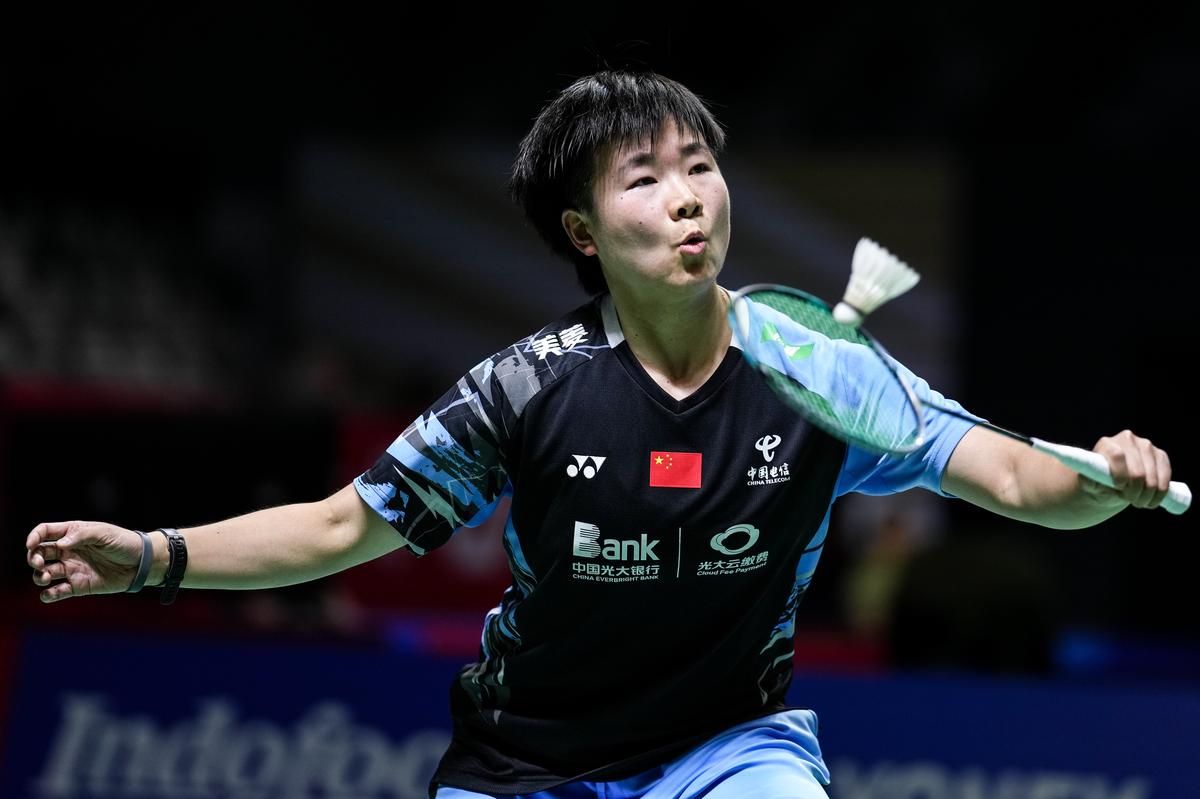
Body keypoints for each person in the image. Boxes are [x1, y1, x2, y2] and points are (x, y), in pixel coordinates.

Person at [25, 70, 1175, 799]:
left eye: (702, 167)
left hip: (732, 747)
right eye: (646, 177)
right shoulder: (525, 392)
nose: (688, 196)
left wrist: (1109, 482)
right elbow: (339, 527)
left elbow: (1022, 477)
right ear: (583, 230)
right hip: (528, 763)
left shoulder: (823, 373)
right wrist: (154, 553)